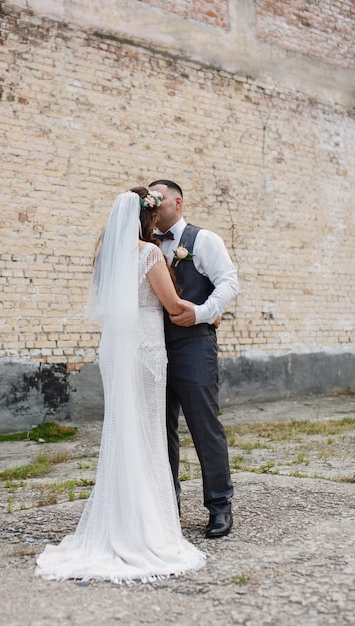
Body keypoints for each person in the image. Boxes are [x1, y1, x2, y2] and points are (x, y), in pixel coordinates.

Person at [35, 187, 206, 583]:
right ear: (147, 217)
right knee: (146, 430)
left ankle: (118, 519)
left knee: (122, 430)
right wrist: (204, 314)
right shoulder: (148, 253)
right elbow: (170, 304)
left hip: (113, 346)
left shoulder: (107, 257)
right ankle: (144, 526)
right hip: (144, 345)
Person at [149, 179, 239, 539]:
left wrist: (204, 312)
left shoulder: (204, 240)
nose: (153, 208)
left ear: (178, 202)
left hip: (193, 345)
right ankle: (168, 505)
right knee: (160, 428)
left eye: (159, 200)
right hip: (154, 346)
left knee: (204, 424)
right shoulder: (147, 245)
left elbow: (229, 282)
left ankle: (220, 506)